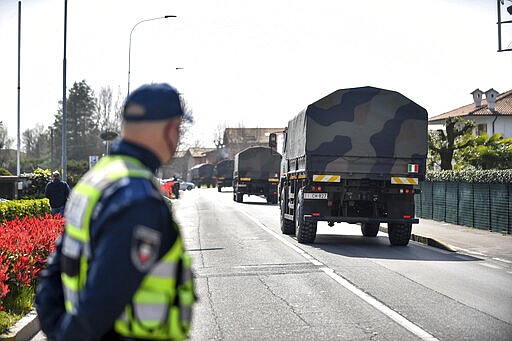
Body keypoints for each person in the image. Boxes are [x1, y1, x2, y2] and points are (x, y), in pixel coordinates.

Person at [35, 83, 195, 341]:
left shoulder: (94, 180)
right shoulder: (139, 199)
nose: (177, 139)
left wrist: (56, 331)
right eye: (177, 128)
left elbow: (53, 275)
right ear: (167, 128)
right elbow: (102, 302)